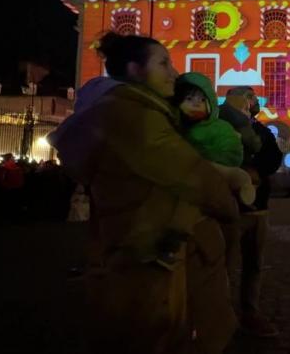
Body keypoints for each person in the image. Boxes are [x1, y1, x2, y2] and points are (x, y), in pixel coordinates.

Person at [48, 32, 239, 354]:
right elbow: (194, 177)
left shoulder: (137, 112)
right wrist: (231, 204)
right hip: (152, 258)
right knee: (161, 333)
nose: (174, 73)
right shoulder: (137, 117)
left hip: (140, 252)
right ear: (136, 70)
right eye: (163, 63)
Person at [146, 72, 256, 270]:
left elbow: (233, 154)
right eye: (189, 99)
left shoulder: (221, 128)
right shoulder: (174, 127)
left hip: (210, 176)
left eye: (201, 99)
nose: (195, 104)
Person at [219, 86, 283, 337]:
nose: (255, 101)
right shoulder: (222, 128)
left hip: (258, 209)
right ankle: (219, 311)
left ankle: (250, 312)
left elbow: (273, 159)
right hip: (230, 209)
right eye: (251, 98)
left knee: (254, 264)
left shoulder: (261, 130)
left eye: (254, 98)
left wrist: (256, 169)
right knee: (223, 264)